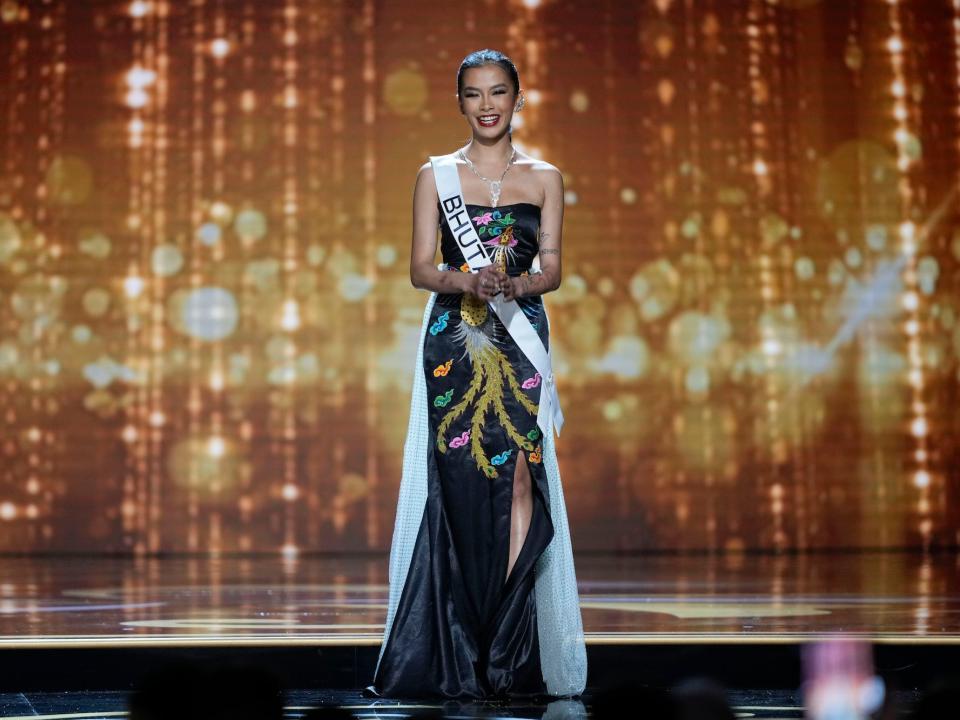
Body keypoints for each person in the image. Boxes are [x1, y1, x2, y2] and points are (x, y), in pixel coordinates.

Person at [367, 49, 586, 699]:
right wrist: (470, 279)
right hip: (456, 341)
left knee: (522, 477)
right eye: (473, 94)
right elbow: (419, 269)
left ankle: (507, 647)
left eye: (498, 92)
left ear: (518, 97)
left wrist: (513, 282)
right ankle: (458, 646)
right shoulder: (436, 175)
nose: (486, 104)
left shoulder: (545, 177)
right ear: (459, 102)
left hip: (519, 338)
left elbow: (552, 269)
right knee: (460, 484)